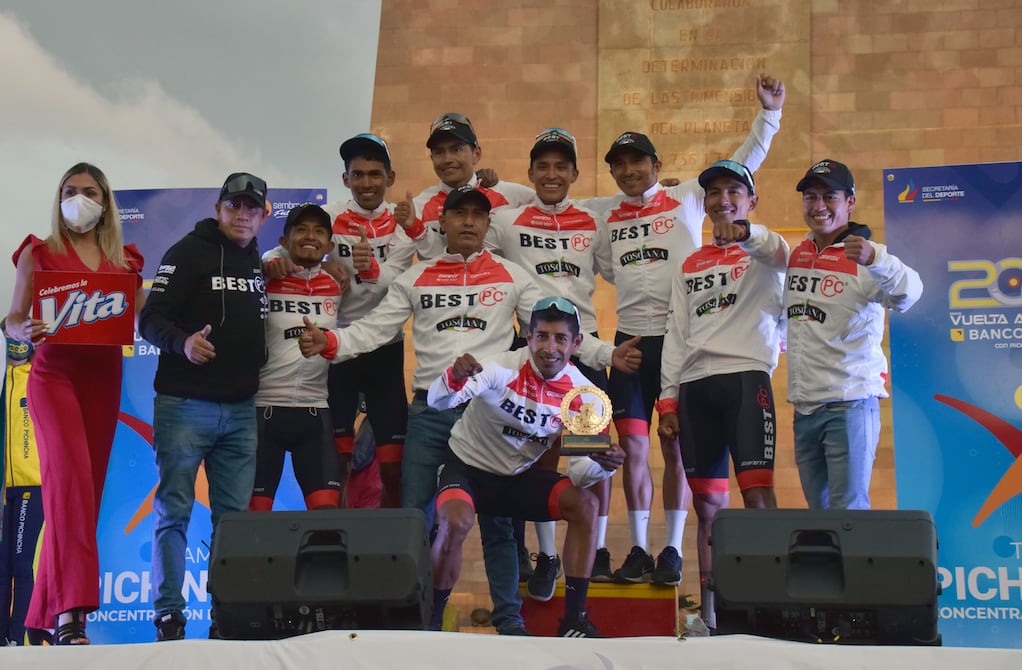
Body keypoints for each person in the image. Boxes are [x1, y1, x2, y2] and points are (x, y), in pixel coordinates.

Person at [299, 185, 641, 635]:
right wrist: (332, 341)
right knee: (418, 516)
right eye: (458, 214)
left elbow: (553, 331)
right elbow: (375, 328)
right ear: (441, 222)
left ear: (486, 224)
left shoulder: (512, 275)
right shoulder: (416, 276)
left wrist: (606, 354)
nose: (467, 222)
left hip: (488, 410)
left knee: (501, 526)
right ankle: (413, 620)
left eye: (477, 215)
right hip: (431, 409)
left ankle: (509, 622)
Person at [578, 73, 786, 585]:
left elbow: (743, 165)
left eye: (638, 162)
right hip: (629, 343)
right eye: (620, 165)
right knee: (631, 448)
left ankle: (671, 550)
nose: (630, 171)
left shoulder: (691, 196)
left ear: (657, 167)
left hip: (681, 344)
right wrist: (487, 188)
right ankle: (638, 549)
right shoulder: (603, 212)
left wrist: (770, 115)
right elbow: (546, 204)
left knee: (674, 448)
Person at [5, 162, 145, 645]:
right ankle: (72, 614)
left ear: (105, 201)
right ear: (58, 197)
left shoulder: (124, 262)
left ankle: (41, 612)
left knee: (86, 495)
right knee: (68, 486)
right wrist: (21, 329)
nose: (78, 199)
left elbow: (144, 316)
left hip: (103, 380)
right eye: (69, 190)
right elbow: (13, 317)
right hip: (53, 377)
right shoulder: (38, 253)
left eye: (89, 191)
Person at [428, 297, 625, 638]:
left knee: (586, 505)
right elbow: (438, 401)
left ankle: (574, 620)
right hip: (468, 469)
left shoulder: (585, 396)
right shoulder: (499, 368)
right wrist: (454, 377)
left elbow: (580, 473)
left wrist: (603, 464)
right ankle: (430, 619)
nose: (550, 348)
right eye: (542, 336)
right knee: (455, 521)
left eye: (560, 338)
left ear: (576, 343)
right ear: (528, 337)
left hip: (517, 480)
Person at [656, 160, 787, 628]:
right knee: (708, 507)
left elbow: (776, 248)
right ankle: (712, 618)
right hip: (695, 389)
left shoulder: (768, 252)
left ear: (752, 201)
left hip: (745, 380)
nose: (723, 200)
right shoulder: (689, 263)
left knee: (757, 498)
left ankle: (769, 612)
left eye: (734, 191)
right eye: (714, 192)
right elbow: (676, 333)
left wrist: (746, 233)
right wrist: (667, 400)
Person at [139, 172, 270, 641]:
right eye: (234, 205)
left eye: (251, 207)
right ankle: (169, 616)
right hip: (185, 405)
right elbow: (149, 319)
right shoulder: (187, 252)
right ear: (218, 209)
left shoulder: (257, 260)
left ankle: (226, 617)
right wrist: (183, 343)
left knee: (232, 524)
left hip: (240, 411)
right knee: (174, 512)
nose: (242, 215)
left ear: (263, 215)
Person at [484, 127, 614, 600]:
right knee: (536, 452)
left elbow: (620, 268)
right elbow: (474, 254)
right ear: (531, 173)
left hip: (585, 349)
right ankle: (547, 556)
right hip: (535, 351)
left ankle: (596, 552)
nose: (552, 174)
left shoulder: (593, 220)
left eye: (561, 166)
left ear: (575, 173)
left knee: (591, 453)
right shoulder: (507, 219)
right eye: (543, 166)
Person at [265, 134, 418, 508]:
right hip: (337, 347)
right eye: (358, 174)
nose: (366, 183)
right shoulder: (329, 216)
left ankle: (389, 535)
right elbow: (281, 249)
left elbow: (399, 280)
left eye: (375, 174)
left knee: (393, 465)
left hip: (385, 346)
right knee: (339, 459)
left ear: (390, 178)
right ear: (345, 179)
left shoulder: (401, 225)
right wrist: (274, 261)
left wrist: (370, 268)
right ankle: (341, 530)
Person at [786, 159, 923, 509]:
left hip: (849, 405)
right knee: (819, 514)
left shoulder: (868, 256)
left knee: (849, 512)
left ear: (850, 202)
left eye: (829, 197)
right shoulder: (798, 254)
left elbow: (910, 294)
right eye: (810, 197)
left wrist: (875, 258)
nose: (819, 206)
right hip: (804, 408)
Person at [249, 204, 342, 512]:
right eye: (301, 230)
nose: (310, 236)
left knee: (327, 515)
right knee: (255, 516)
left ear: (329, 246)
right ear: (284, 241)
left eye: (318, 231)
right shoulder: (264, 276)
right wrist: (268, 261)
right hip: (264, 409)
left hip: (315, 410)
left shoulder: (337, 284)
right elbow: (246, 264)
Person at [398, 112, 535, 260]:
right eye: (439, 152)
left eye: (456, 149)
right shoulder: (418, 207)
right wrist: (415, 228)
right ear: (432, 158)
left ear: (476, 154)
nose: (447, 159)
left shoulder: (512, 195)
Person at [0, 329, 45, 646]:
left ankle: (18, 638)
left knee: (21, 563)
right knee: (3, 567)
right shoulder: (4, 379)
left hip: (33, 484)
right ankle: (3, 637)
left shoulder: (40, 376)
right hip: (5, 489)